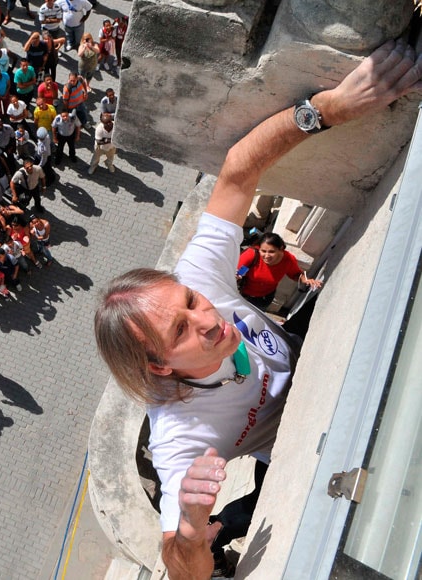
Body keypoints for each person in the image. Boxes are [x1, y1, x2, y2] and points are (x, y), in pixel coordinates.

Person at [92, 41, 421, 580]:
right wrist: (195, 533)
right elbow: (180, 568)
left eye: (192, 303)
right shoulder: (179, 432)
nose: (207, 318)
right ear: (160, 367)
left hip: (301, 348)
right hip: (286, 444)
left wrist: (329, 108)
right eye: (182, 329)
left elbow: (237, 172)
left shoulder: (196, 278)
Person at [237, 232, 321, 310]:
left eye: (271, 252)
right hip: (242, 296)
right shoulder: (251, 255)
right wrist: (236, 276)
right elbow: (236, 271)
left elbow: (296, 274)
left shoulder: (288, 260)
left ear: (280, 249)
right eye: (263, 251)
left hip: (264, 299)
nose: (266, 256)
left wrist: (306, 280)